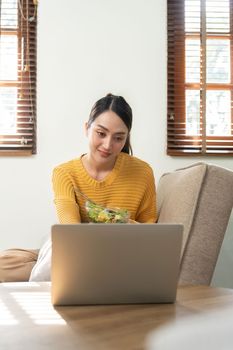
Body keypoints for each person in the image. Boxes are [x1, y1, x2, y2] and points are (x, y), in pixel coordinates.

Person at [52, 93, 157, 224]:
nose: (107, 145)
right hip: (82, 244)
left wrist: (126, 224)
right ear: (87, 128)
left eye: (118, 138)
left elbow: (150, 228)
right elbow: (70, 228)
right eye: (101, 133)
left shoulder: (143, 172)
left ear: (126, 138)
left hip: (130, 244)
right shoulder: (65, 173)